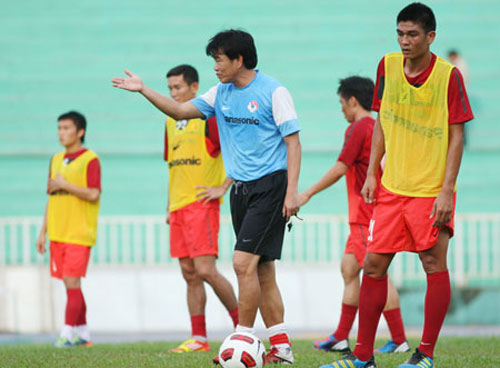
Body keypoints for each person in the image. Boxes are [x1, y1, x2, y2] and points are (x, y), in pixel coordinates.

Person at [112, 29, 301, 364]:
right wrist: (143, 90)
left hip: (270, 187)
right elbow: (179, 111)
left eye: (219, 59)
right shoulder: (220, 94)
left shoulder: (274, 91)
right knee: (263, 270)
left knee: (242, 263)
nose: (215, 66)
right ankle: (282, 348)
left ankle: (242, 341)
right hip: (241, 192)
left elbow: (293, 143)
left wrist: (291, 193)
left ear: (238, 59)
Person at [324, 3, 473, 368]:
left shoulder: (448, 76)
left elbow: (457, 136)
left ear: (430, 37)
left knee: (432, 262)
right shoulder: (387, 66)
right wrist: (373, 172)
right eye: (400, 34)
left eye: (413, 34)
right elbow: (382, 123)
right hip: (392, 187)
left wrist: (445, 191)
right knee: (373, 265)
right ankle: (362, 357)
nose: (405, 41)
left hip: (430, 190)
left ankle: (425, 354)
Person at [299, 76, 409, 355]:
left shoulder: (360, 127)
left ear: (353, 101)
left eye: (341, 103)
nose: (341, 110)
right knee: (349, 269)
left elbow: (340, 167)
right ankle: (340, 336)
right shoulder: (373, 127)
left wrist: (307, 193)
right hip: (366, 213)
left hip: (365, 213)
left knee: (377, 274)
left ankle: (398, 338)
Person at [162, 64, 239, 353]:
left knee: (206, 270)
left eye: (178, 87)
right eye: (170, 88)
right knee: (189, 272)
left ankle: (241, 328)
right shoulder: (170, 121)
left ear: (194, 88)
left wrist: (223, 187)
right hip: (179, 208)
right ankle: (199, 338)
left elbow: (235, 152)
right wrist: (168, 205)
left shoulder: (209, 118)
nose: (173, 93)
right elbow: (172, 167)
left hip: (202, 206)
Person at [36, 111, 102, 348]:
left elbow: (94, 194)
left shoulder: (90, 159)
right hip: (57, 232)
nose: (61, 133)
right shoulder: (55, 159)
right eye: (59, 128)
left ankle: (66, 333)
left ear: (80, 131)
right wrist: (43, 231)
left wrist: (66, 184)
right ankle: (83, 334)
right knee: (69, 284)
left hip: (78, 232)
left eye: (66, 128)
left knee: (71, 282)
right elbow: (51, 196)